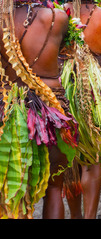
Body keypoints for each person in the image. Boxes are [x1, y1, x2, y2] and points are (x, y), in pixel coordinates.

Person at [0, 0, 77, 219]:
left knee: (13, 196)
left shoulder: (3, 20)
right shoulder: (58, 17)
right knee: (54, 189)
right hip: (52, 113)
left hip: (8, 113)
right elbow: (65, 53)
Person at [61, 0, 101, 219]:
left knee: (70, 161)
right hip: (94, 92)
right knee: (92, 160)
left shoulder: (57, 16)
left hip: (63, 89)